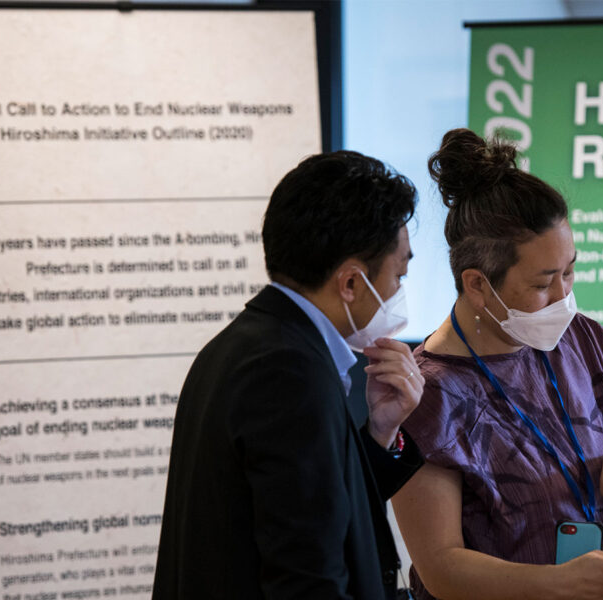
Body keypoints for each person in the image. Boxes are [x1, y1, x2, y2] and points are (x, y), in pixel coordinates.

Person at [392, 129, 603, 600]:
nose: (564, 295)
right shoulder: (428, 395)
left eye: (570, 271)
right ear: (478, 285)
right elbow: (440, 567)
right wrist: (555, 585)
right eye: (543, 283)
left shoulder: (581, 340)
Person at [153, 150, 425, 600]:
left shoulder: (250, 344)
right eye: (399, 273)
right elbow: (307, 576)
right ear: (351, 283)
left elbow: (321, 511)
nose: (399, 292)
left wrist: (379, 432)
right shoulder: (287, 373)